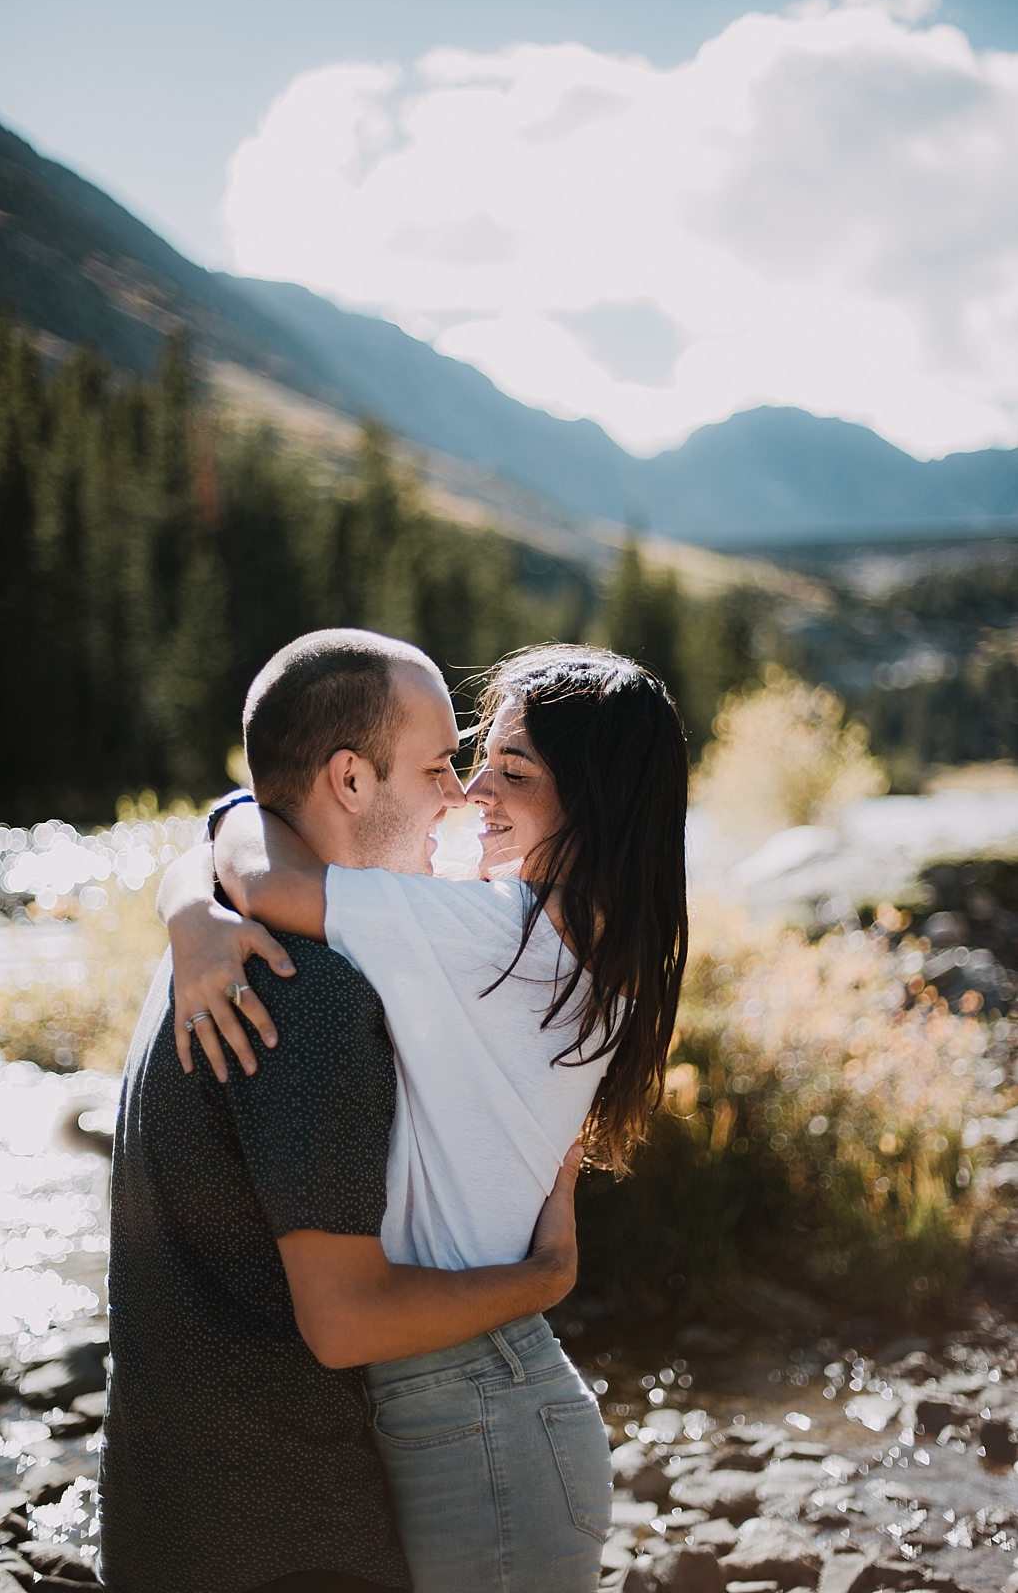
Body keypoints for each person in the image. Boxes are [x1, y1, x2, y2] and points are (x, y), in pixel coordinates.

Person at [161, 634, 689, 1593]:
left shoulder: (498, 939)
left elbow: (268, 877)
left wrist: (203, 875)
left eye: (511, 770)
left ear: (594, 798)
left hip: (480, 1405)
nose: (473, 789)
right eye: (473, 756)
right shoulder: (525, 932)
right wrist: (188, 896)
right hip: (483, 1394)